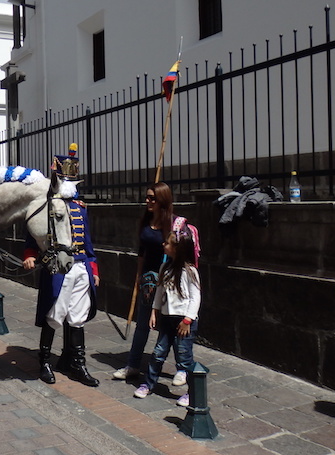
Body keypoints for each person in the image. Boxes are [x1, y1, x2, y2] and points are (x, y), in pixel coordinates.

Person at [22, 144, 101, 387]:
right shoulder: (47, 206)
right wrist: (29, 254)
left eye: (71, 180)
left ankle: (76, 363)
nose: (68, 184)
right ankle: (44, 361)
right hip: (58, 265)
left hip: (80, 267)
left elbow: (88, 242)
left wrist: (93, 269)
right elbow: (33, 235)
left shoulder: (80, 208)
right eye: (64, 179)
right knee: (53, 313)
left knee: (78, 316)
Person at [113, 181, 175, 381]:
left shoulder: (172, 224)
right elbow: (142, 252)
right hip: (149, 280)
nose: (147, 201)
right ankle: (133, 364)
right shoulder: (146, 223)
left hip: (167, 280)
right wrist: (139, 277)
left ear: (162, 200)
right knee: (142, 324)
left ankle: (181, 368)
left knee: (167, 325)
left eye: (152, 198)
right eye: (147, 197)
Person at [133, 226, 201, 406]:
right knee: (158, 353)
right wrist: (155, 311)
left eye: (168, 243)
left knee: (184, 357)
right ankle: (148, 384)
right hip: (167, 318)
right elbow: (159, 292)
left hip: (183, 321)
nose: (164, 244)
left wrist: (188, 320)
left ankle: (192, 392)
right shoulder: (165, 267)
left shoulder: (190, 271)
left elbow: (196, 298)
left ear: (177, 248)